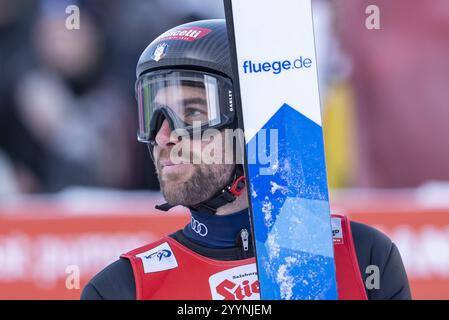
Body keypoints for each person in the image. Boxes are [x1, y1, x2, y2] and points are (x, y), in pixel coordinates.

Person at [81, 19, 411, 300]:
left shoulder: (364, 258)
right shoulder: (122, 289)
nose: (164, 137)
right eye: (154, 117)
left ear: (250, 124)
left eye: (193, 113)